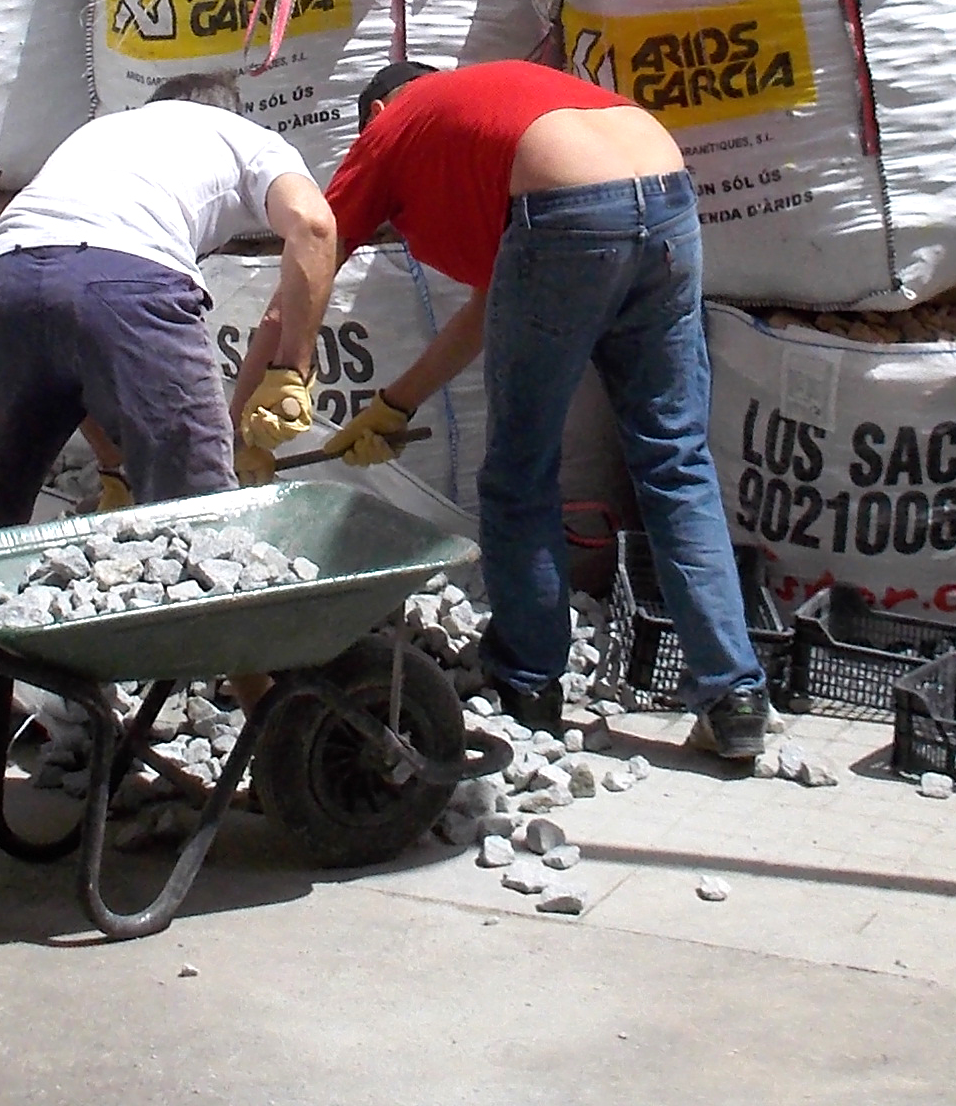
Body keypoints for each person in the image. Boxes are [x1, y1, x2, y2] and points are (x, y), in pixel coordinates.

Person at [0, 75, 340, 769]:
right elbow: (315, 228)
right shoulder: (244, 136)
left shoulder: (98, 137)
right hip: (131, 283)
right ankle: (279, 726)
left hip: (9, 281)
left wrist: (116, 467)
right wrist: (291, 368)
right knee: (206, 520)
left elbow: (70, 332)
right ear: (220, 109)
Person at [302, 58, 775, 763]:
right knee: (674, 458)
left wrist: (278, 379)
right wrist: (395, 404)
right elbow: (496, 301)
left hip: (567, 210)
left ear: (377, 112)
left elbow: (312, 254)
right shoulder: (495, 113)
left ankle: (529, 685)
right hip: (666, 190)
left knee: (521, 472)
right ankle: (734, 699)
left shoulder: (395, 124)